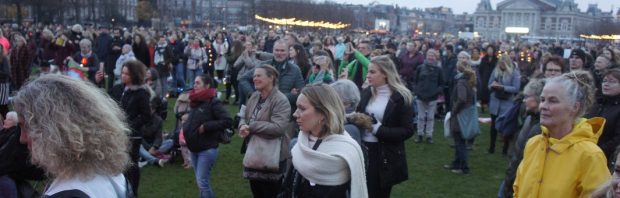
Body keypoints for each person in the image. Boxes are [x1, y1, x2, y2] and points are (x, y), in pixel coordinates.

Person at [13, 74, 131, 197]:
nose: (22, 138)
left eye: (25, 127)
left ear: (53, 130)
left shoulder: (70, 192)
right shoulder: (113, 177)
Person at [513, 71, 610, 197]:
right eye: (542, 100)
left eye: (553, 101)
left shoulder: (590, 155)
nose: (543, 106)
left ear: (574, 107)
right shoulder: (534, 143)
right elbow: (518, 189)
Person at [282, 84, 367, 197]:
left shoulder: (347, 152)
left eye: (302, 108)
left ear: (323, 113)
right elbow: (287, 188)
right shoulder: (302, 143)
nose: (295, 114)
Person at [357, 55, 414, 197]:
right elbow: (359, 113)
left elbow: (407, 130)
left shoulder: (401, 97)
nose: (368, 75)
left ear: (385, 74)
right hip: (362, 150)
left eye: (372, 72)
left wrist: (377, 129)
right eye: (368, 71)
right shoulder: (367, 92)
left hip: (383, 155)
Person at [238, 64, 291, 198]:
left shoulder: (281, 100)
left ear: (271, 78)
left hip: (272, 156)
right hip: (254, 154)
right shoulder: (254, 96)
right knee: (257, 192)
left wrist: (252, 126)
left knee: (271, 193)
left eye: (259, 75)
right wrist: (242, 125)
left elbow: (278, 128)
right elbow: (244, 115)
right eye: (254, 76)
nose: (255, 78)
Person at [184, 74, 233, 197]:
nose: (194, 85)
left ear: (207, 86)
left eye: (198, 83)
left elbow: (227, 121)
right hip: (194, 147)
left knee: (202, 182)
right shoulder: (195, 101)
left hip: (207, 148)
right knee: (200, 182)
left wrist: (206, 126)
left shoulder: (213, 102)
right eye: (194, 82)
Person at [501, 79, 545, 198]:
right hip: (514, 170)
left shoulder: (542, 126)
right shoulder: (529, 118)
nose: (524, 100)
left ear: (537, 98)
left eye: (527, 96)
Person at [119, 60, 152, 196]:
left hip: (133, 135)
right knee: (122, 165)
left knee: (132, 165)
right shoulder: (124, 90)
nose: (123, 76)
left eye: (127, 74)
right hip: (121, 132)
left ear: (134, 75)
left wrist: (130, 126)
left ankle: (133, 192)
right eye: (122, 73)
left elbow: (146, 115)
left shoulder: (141, 93)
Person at [445, 58, 477, 175]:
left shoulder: (461, 82)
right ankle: (456, 163)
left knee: (460, 142)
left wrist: (454, 110)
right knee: (459, 140)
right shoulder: (468, 80)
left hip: (460, 115)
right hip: (464, 114)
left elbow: (462, 98)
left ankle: (463, 167)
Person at [488, 55, 521, 155]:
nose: (501, 65)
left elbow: (516, 88)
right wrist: (492, 86)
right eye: (500, 63)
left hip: (507, 104)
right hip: (495, 102)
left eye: (503, 63)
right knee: (493, 126)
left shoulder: (514, 73)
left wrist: (502, 87)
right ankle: (491, 147)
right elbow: (488, 84)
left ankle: (505, 149)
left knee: (506, 127)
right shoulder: (495, 71)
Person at [588, 69, 620, 169]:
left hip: (605, 158)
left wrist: (598, 150)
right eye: (605, 81)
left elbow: (617, 138)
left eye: (612, 81)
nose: (606, 84)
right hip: (587, 153)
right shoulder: (596, 104)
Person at [413, 49, 444, 144]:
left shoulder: (438, 69)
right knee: (421, 117)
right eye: (429, 55)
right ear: (426, 56)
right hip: (420, 95)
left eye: (433, 55)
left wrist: (436, 92)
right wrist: (417, 91)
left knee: (430, 117)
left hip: (433, 97)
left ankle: (429, 135)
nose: (430, 57)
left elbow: (441, 83)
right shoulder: (420, 68)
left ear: (436, 57)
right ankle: (420, 134)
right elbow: (415, 81)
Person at [478, 45, 498, 112]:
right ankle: (483, 107)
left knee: (491, 92)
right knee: (483, 92)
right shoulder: (484, 59)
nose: (490, 51)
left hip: (493, 77)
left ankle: (490, 106)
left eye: (491, 49)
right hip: (484, 77)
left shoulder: (496, 59)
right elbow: (480, 69)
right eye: (488, 49)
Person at [0, 47, 9, 117]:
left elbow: (6, 73)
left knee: (3, 105)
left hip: (3, 84)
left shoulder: (4, 58)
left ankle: (10, 122)